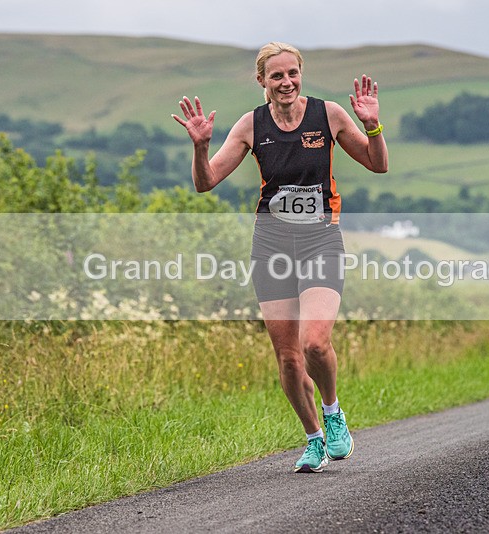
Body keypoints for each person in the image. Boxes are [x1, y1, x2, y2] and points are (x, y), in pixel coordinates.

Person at [172, 42, 388, 472]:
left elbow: (377, 164)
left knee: (315, 342)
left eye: (292, 73)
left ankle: (333, 413)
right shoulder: (251, 126)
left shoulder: (327, 115)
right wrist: (200, 148)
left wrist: (374, 125)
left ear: (301, 74)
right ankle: (312, 439)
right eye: (276, 76)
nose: (286, 82)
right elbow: (206, 181)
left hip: (320, 241)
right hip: (271, 246)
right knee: (288, 357)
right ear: (262, 82)